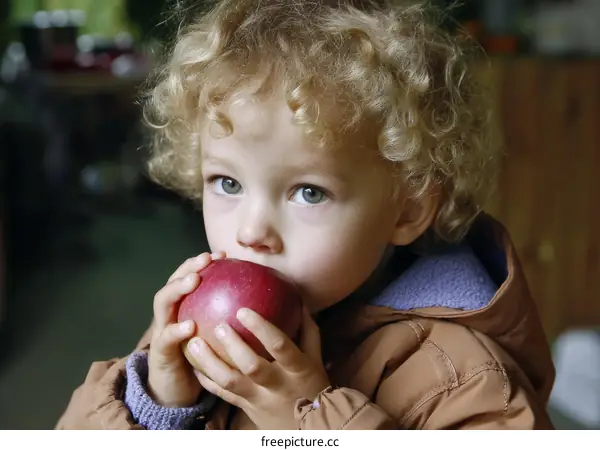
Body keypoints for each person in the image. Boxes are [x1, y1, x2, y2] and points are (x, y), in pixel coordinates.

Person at [55, 0, 555, 430]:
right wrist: (158, 404)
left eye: (309, 193)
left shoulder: (465, 380)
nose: (251, 233)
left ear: (408, 209)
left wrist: (307, 420)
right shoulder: (199, 325)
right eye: (228, 183)